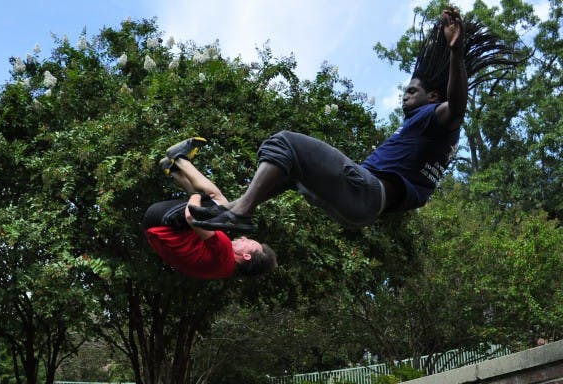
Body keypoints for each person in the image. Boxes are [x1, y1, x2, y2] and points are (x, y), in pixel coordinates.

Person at [189, 7, 517, 233]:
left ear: (433, 97)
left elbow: (456, 106)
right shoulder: (427, 133)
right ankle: (234, 208)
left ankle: (240, 213)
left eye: (412, 90)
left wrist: (456, 53)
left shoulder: (436, 118)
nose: (405, 96)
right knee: (289, 167)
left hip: (366, 193)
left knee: (284, 141)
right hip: (360, 206)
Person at [143, 137, 277, 279]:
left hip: (161, 221)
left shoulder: (224, 251)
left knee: (220, 203)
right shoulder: (223, 269)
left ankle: (179, 157)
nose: (244, 237)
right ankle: (174, 169)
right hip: (155, 228)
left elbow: (191, 216)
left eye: (248, 242)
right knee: (213, 214)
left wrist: (197, 194)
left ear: (246, 256)